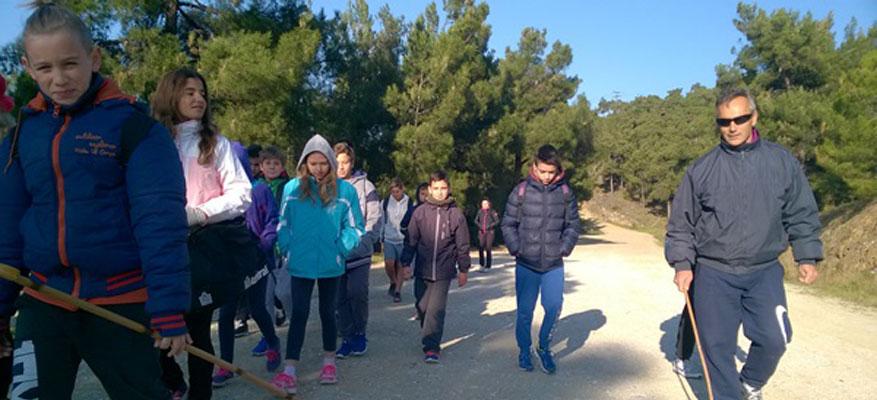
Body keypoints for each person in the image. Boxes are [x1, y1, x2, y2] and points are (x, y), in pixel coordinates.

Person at [0, 4, 190, 399]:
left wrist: (168, 307)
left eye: (70, 63)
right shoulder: (22, 135)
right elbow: (7, 224)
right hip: (44, 296)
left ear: (95, 58)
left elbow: (159, 222)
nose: (59, 79)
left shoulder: (136, 128)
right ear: (28, 68)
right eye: (45, 68)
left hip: (120, 301)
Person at [665, 88, 822, 400]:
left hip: (763, 271)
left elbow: (801, 211)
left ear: (754, 117)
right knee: (716, 348)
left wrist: (807, 254)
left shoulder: (781, 162)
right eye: (724, 122)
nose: (732, 127)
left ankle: (750, 382)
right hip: (714, 272)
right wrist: (682, 264)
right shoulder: (701, 169)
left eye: (740, 119)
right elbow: (681, 223)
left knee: (775, 339)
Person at [151, 67, 253, 400]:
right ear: (170, 95)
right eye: (189, 92)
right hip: (160, 249)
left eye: (202, 93)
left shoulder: (216, 144)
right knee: (156, 327)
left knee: (198, 330)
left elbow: (242, 194)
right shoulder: (153, 141)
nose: (199, 99)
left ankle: (201, 394)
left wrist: (200, 213)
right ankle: (173, 382)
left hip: (202, 249)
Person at [271, 134, 364, 394]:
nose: (319, 168)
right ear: (305, 163)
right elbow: (283, 223)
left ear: (331, 163)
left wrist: (341, 248)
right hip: (300, 262)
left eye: (324, 163)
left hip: (330, 263)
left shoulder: (345, 191)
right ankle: (290, 369)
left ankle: (329, 363)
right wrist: (286, 247)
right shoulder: (292, 188)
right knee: (299, 313)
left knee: (327, 312)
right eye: (313, 163)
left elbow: (356, 226)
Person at [501, 144, 581, 375]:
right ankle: (524, 349)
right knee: (525, 312)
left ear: (558, 170)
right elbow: (508, 223)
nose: (547, 177)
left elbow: (573, 225)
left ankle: (544, 346)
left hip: (553, 264)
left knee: (553, 306)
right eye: (542, 171)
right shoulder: (521, 191)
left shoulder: (565, 193)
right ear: (534, 166)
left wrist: (564, 248)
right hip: (526, 263)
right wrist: (516, 248)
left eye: (551, 172)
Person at [211, 142, 283, 387]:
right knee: (226, 313)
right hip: (229, 262)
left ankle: (272, 342)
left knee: (257, 308)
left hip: (256, 260)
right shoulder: (220, 194)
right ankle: (226, 365)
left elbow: (272, 220)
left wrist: (265, 244)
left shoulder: (259, 190)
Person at [400, 171, 471, 364]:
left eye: (443, 188)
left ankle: (431, 347)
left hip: (444, 270)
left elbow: (463, 245)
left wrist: (463, 269)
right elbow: (411, 240)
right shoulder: (420, 213)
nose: (440, 192)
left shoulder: (456, 215)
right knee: (422, 306)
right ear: (430, 189)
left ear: (449, 189)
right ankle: (428, 332)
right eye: (436, 188)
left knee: (435, 310)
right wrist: (405, 263)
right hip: (422, 268)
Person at [333, 142, 382, 358]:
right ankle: (347, 336)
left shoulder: (365, 187)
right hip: (335, 254)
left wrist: (364, 240)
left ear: (352, 163)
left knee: (358, 293)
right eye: (337, 163)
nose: (341, 167)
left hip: (359, 252)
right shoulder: (326, 188)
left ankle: (360, 333)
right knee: (339, 298)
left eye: (345, 162)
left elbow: (374, 217)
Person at [380, 178, 414, 303]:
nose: (395, 194)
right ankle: (393, 281)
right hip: (389, 237)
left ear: (402, 190)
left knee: (400, 264)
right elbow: (382, 219)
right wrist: (381, 235)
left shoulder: (409, 202)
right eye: (393, 192)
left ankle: (397, 291)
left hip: (403, 238)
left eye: (397, 191)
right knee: (389, 263)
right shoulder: (385, 202)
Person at [474, 199, 500, 272]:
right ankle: (481, 264)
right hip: (481, 232)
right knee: (481, 248)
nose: (484, 205)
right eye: (483, 204)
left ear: (488, 204)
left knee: (488, 248)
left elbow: (497, 221)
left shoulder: (492, 211)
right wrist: (480, 226)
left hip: (490, 232)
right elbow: (476, 220)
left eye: (485, 204)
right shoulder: (480, 211)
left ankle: (488, 266)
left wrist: (490, 226)